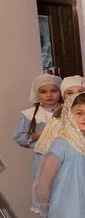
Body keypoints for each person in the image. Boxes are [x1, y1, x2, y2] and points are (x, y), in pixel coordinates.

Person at [14, 74, 61, 210]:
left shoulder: (67, 111)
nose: (49, 95)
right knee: (46, 189)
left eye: (53, 91)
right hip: (43, 159)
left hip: (66, 158)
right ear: (37, 93)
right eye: (43, 91)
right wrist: (36, 135)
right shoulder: (29, 114)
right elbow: (19, 136)